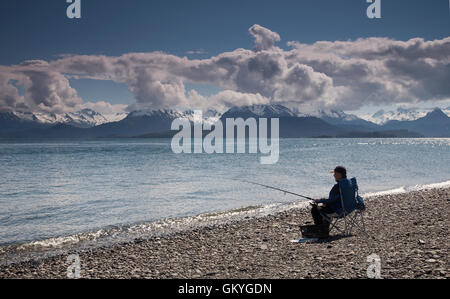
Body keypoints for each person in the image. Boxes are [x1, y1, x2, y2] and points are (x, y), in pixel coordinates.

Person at [310, 166, 348, 232]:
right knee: (324, 205)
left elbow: (332, 200)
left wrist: (320, 201)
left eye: (335, 174)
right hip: (348, 208)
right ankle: (324, 227)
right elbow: (336, 199)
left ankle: (321, 230)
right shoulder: (348, 183)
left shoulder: (337, 187)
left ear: (339, 175)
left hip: (338, 210)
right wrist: (324, 201)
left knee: (315, 209)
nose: (333, 175)